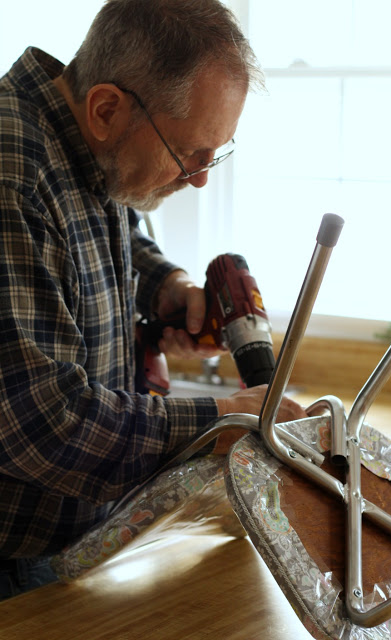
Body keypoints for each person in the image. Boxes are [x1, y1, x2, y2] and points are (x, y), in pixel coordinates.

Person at [0, 0, 307, 598]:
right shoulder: (10, 178)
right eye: (190, 153)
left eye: (215, 153)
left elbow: (111, 219)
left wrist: (166, 286)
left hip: (68, 542)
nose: (199, 178)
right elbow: (44, 425)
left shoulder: (83, 141)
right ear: (107, 108)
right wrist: (225, 421)